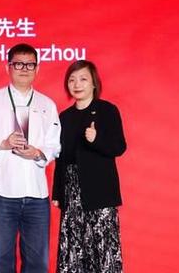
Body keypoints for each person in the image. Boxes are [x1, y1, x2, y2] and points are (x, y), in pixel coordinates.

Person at [0, 43, 61, 273]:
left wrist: (38, 153)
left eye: (30, 64)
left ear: (37, 69)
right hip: (3, 192)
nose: (24, 69)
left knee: (38, 261)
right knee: (2, 259)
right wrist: (3, 144)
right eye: (18, 64)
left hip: (37, 194)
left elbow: (54, 144)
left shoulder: (47, 104)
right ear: (8, 67)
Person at [52, 60, 127, 273]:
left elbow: (119, 147)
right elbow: (61, 158)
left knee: (103, 252)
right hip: (72, 194)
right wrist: (57, 192)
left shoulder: (107, 110)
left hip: (100, 193)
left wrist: (96, 139)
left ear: (94, 83)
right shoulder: (64, 117)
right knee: (73, 253)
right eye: (72, 80)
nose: (77, 84)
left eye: (83, 79)